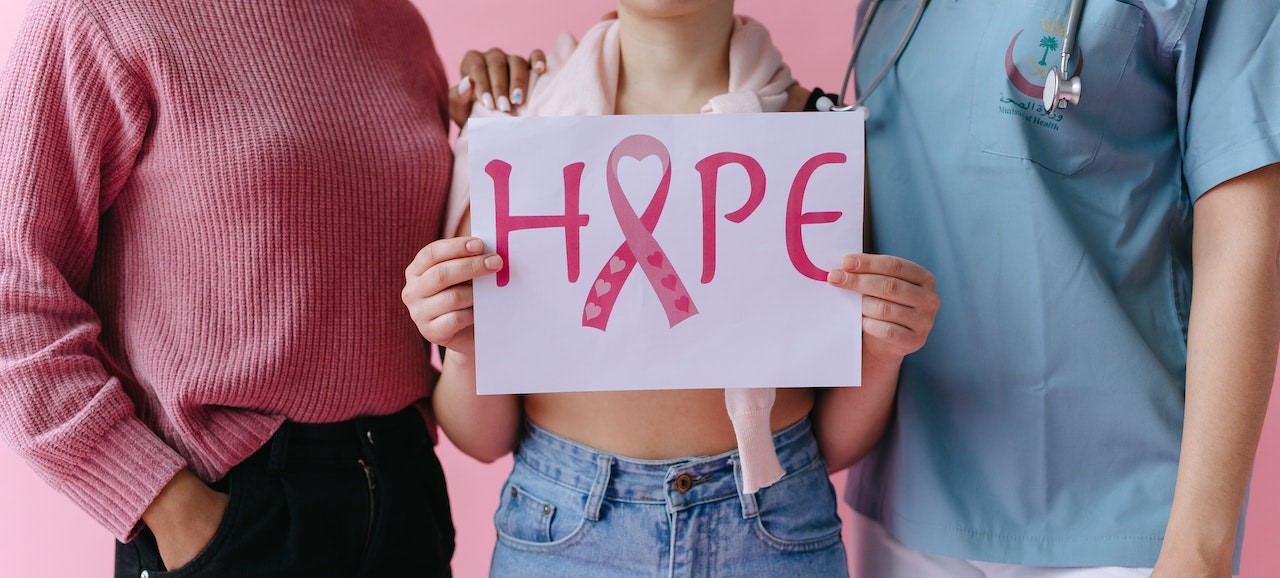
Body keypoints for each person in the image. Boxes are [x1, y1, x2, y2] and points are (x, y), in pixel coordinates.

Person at [467, 0, 1280, 576]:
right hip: (909, 504)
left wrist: (1199, 551)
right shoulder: (830, 84)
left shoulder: (785, 117)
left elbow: (1246, 211)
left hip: (1121, 507)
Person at [402, 1, 939, 576]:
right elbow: (481, 438)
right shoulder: (511, 128)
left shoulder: (818, 137)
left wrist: (883, 354)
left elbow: (833, 442)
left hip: (775, 527)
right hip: (563, 530)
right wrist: (465, 348)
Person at [0, 0, 457, 576]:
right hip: (230, 506)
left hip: (404, 492)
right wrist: (161, 501)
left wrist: (503, 116)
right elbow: (14, 298)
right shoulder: (101, 15)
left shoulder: (396, 20)